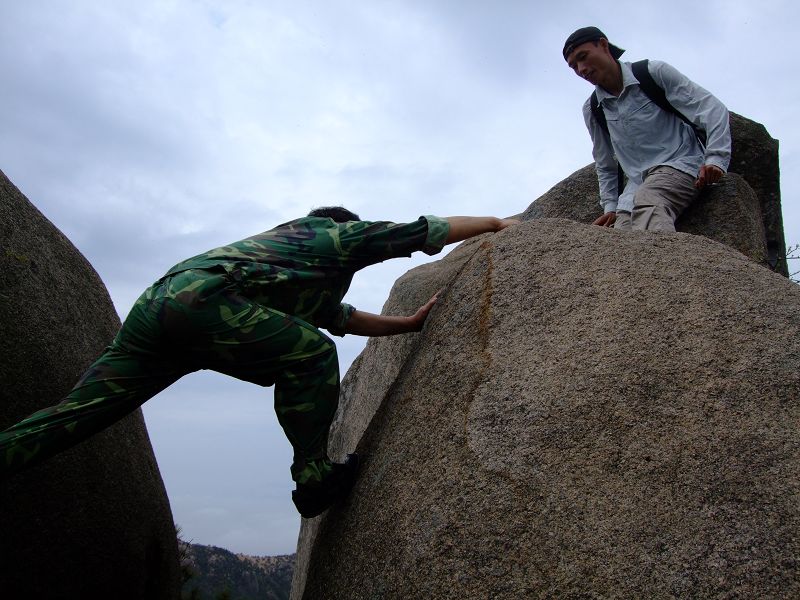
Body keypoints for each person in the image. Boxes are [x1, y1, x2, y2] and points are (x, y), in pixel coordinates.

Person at [0, 207, 518, 518]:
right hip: (202, 303)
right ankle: (314, 478)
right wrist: (495, 223)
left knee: (78, 414)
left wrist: (405, 326)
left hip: (158, 310)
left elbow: (340, 316)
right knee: (311, 354)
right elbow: (419, 230)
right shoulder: (331, 236)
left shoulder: (280, 265)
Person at [563, 26, 731, 231]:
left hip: (681, 163)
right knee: (620, 236)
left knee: (650, 200)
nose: (581, 69)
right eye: (573, 66)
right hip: (636, 185)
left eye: (583, 56)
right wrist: (610, 207)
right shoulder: (593, 108)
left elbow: (711, 109)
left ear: (604, 45)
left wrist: (715, 158)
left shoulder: (652, 73)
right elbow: (604, 162)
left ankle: (668, 261)